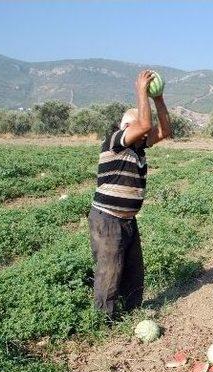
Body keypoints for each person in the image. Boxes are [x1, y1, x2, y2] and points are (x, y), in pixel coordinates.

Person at [88, 70, 172, 319]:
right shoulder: (115, 140)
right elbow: (145, 124)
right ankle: (104, 321)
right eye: (140, 131)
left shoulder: (137, 146)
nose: (146, 135)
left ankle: (131, 314)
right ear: (127, 127)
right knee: (109, 272)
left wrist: (159, 98)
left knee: (133, 271)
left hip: (127, 219)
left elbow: (165, 130)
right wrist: (141, 92)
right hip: (107, 218)